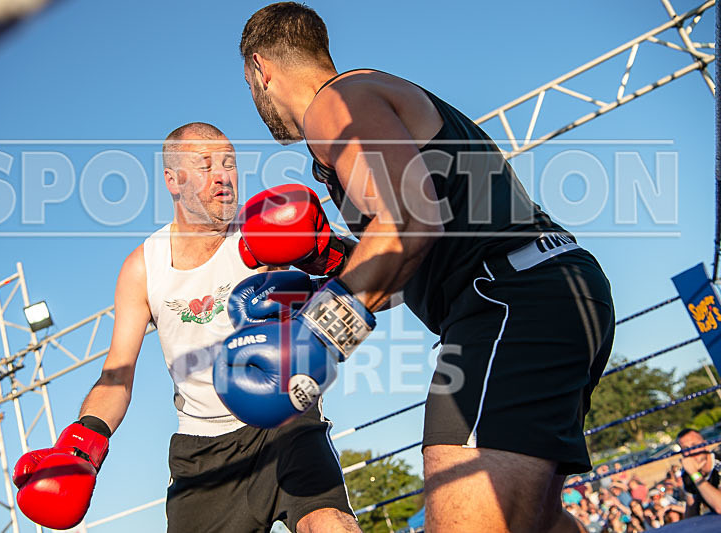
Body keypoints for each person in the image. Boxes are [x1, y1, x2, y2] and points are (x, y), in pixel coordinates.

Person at [228, 3, 616, 532]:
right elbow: (403, 267)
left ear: (259, 69)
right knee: (538, 523)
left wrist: (316, 329)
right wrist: (326, 263)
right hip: (543, 289)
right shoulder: (361, 104)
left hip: (508, 300)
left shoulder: (335, 103)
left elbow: (411, 219)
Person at [11, 122, 362, 533]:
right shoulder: (144, 267)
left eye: (229, 164)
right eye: (205, 164)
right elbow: (117, 373)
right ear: (172, 180)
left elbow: (379, 283)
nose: (223, 176)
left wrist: (328, 251)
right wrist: (82, 444)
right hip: (202, 453)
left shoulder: (265, 232)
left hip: (284, 425)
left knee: (329, 523)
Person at [677, 428, 721, 516]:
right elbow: (692, 511)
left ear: (705, 445)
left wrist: (694, 474)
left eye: (695, 445)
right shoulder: (687, 474)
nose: (691, 451)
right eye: (686, 449)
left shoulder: (719, 462)